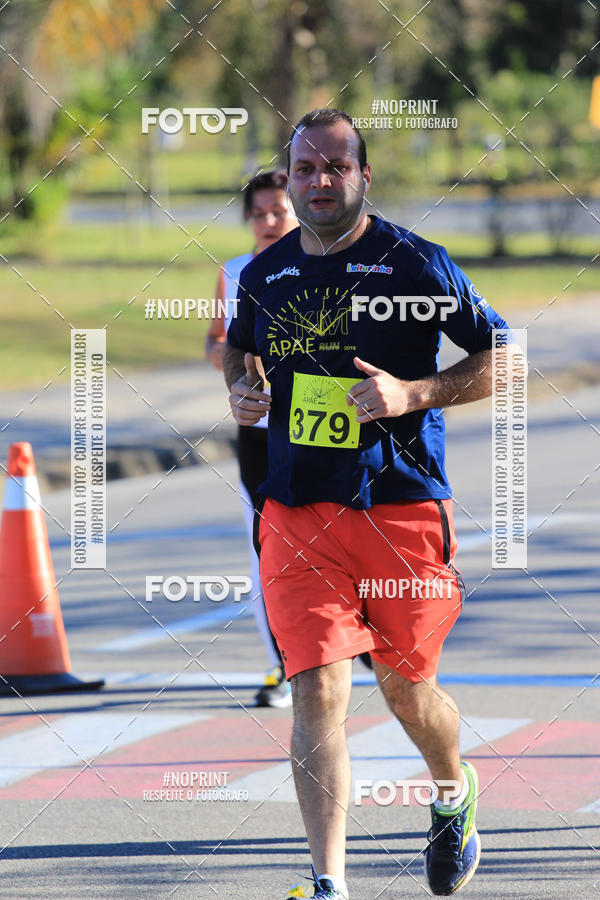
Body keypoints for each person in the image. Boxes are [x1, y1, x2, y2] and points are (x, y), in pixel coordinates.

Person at [225, 108, 517, 898]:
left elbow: (503, 357)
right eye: (306, 169)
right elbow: (239, 350)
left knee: (405, 690)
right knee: (317, 686)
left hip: (399, 507)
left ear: (363, 176)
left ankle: (452, 791)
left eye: (336, 167)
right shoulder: (264, 275)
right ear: (290, 180)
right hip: (297, 509)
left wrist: (412, 393)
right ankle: (329, 883)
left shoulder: (416, 264)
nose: (320, 181)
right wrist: (242, 393)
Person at [205, 170, 297, 707]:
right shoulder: (235, 271)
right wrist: (236, 362)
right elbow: (216, 341)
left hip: (323, 432)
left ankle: (357, 643)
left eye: (278, 210)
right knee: (267, 549)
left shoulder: (329, 265)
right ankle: (282, 665)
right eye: (258, 213)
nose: (268, 221)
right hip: (260, 434)